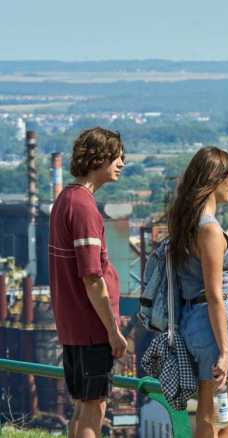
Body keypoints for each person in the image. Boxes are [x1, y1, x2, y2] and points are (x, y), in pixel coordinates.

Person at [48, 127, 127, 438]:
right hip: (91, 326)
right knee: (95, 407)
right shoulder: (83, 207)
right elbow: (92, 276)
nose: (121, 162)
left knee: (83, 405)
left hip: (71, 322)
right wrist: (113, 330)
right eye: (117, 156)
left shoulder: (65, 200)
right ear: (99, 158)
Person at [168, 146, 228, 438]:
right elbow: (214, 294)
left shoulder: (187, 221)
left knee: (219, 417)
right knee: (218, 419)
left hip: (196, 321)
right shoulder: (209, 229)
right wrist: (225, 351)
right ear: (214, 180)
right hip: (214, 323)